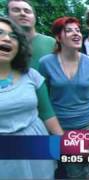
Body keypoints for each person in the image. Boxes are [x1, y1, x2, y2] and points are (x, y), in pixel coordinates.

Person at [39, 17, 89, 179]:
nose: (76, 34)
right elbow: (44, 98)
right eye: (69, 30)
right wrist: (54, 130)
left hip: (88, 124)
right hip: (62, 127)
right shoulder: (45, 63)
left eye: (78, 30)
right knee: (74, 172)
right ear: (58, 37)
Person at [0, 16, 63, 179]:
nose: (7, 38)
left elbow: (48, 114)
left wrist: (65, 148)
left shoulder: (31, 75)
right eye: (0, 33)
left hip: (37, 149)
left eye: (13, 36)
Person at [6, 0, 60, 130]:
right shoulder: (4, 48)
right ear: (7, 17)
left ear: (34, 17)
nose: (22, 14)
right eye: (16, 10)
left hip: (52, 116)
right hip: (12, 120)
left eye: (27, 11)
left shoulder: (51, 43)